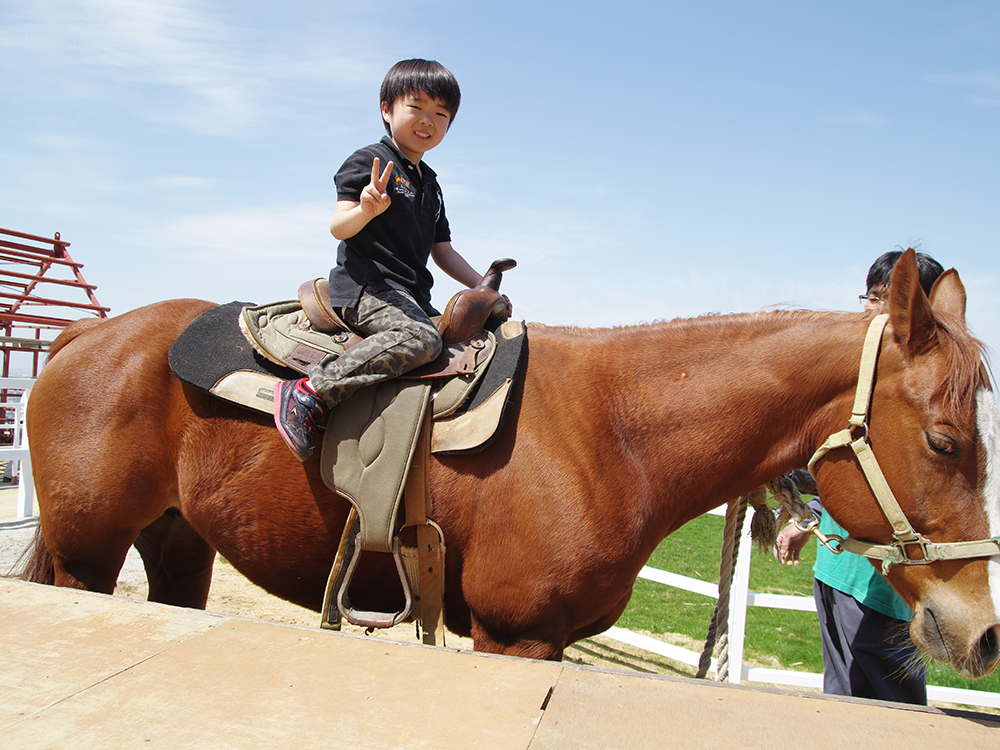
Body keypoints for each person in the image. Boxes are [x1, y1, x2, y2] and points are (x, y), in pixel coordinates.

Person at [274, 59, 485, 461]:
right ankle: (310, 392)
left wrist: (481, 286)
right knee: (421, 339)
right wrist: (366, 210)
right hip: (367, 287)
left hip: (409, 295)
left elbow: (443, 252)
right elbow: (339, 226)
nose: (428, 121)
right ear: (387, 109)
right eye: (416, 107)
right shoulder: (369, 160)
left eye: (441, 114)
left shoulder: (431, 185)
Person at [774, 249, 945, 704]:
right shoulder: (856, 387)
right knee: (841, 702)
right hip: (835, 572)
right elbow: (840, 469)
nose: (877, 311)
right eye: (872, 298)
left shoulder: (913, 400)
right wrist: (804, 515)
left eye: (897, 301)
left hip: (892, 591)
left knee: (896, 717)